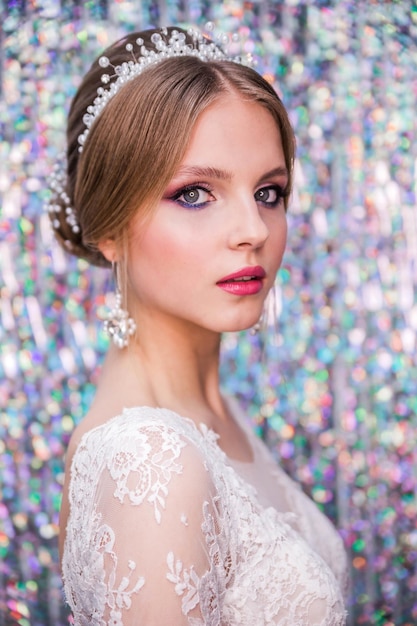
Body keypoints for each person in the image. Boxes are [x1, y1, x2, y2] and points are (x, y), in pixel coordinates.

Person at [50, 25, 348, 625]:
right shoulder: (150, 456)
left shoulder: (219, 414)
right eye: (194, 194)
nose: (254, 231)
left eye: (269, 191)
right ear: (108, 228)